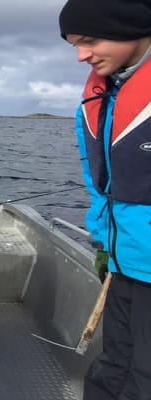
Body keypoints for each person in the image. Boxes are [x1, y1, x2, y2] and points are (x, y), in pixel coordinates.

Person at [59, 0, 151, 399]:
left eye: (90, 41)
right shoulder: (103, 95)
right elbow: (97, 178)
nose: (81, 56)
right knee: (113, 366)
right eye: (74, 45)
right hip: (123, 257)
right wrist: (102, 238)